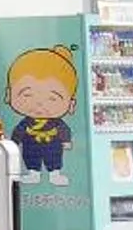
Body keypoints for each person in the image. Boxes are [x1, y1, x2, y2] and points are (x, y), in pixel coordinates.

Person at [5, 46, 80, 181]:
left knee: (54, 158)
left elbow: (63, 129)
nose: (39, 103)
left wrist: (66, 140)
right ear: (9, 95)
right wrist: (14, 142)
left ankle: (55, 173)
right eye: (28, 95)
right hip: (31, 143)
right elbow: (19, 130)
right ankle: (33, 173)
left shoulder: (56, 122)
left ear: (71, 104)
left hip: (53, 143)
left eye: (52, 98)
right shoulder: (26, 122)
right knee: (30, 157)